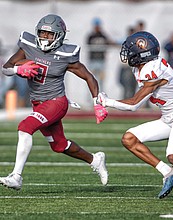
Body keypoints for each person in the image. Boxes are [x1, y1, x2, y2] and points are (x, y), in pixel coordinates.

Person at [0, 14, 108, 190]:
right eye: (42, 33)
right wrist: (19, 68)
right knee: (59, 145)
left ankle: (16, 176)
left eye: (50, 34)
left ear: (59, 35)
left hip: (56, 102)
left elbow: (89, 77)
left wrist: (97, 102)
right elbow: (6, 69)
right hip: (38, 102)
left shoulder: (66, 54)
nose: (45, 37)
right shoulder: (28, 45)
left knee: (25, 127)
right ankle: (95, 160)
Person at [98, 31, 173, 199]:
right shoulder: (140, 67)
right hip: (169, 116)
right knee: (129, 139)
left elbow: (134, 104)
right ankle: (168, 173)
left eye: (130, 50)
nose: (127, 53)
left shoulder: (153, 69)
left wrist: (107, 102)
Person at [86, 17, 115, 91]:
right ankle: (90, 98)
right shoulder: (91, 36)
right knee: (91, 79)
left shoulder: (103, 36)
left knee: (101, 80)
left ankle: (101, 95)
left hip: (101, 60)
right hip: (92, 60)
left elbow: (108, 43)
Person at [118, 26, 137, 99]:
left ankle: (130, 99)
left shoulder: (136, 42)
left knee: (132, 85)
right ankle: (126, 99)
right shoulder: (125, 40)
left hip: (132, 66)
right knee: (126, 84)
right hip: (126, 66)